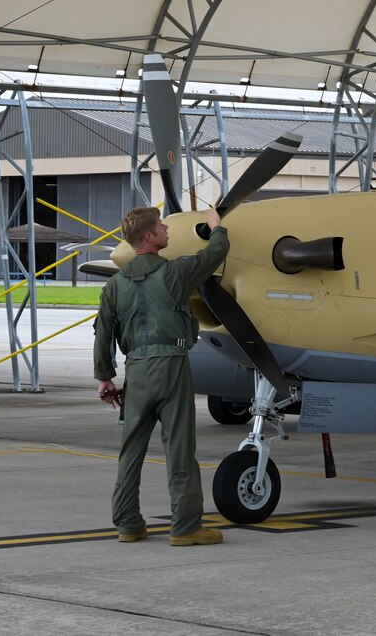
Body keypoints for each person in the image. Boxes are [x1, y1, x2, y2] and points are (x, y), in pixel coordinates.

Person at [94, 206, 229, 546]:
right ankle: (185, 526)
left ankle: (127, 524)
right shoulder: (175, 273)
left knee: (131, 450)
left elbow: (103, 334)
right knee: (180, 447)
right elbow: (215, 253)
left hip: (136, 370)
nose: (168, 228)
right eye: (161, 226)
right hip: (171, 366)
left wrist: (105, 378)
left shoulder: (115, 285)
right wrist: (217, 227)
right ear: (150, 237)